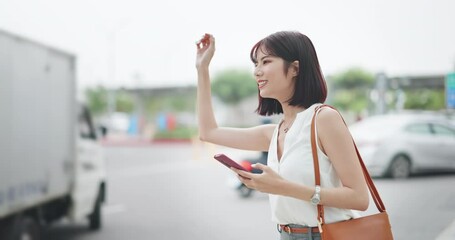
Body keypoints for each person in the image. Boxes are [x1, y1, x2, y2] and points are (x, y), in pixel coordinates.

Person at [195, 31, 369, 240]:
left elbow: (359, 197)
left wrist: (283, 187)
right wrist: (202, 68)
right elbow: (208, 132)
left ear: (295, 68)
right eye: (255, 64)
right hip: (286, 234)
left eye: (266, 61)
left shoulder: (323, 119)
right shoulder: (274, 132)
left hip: (325, 235)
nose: (257, 72)